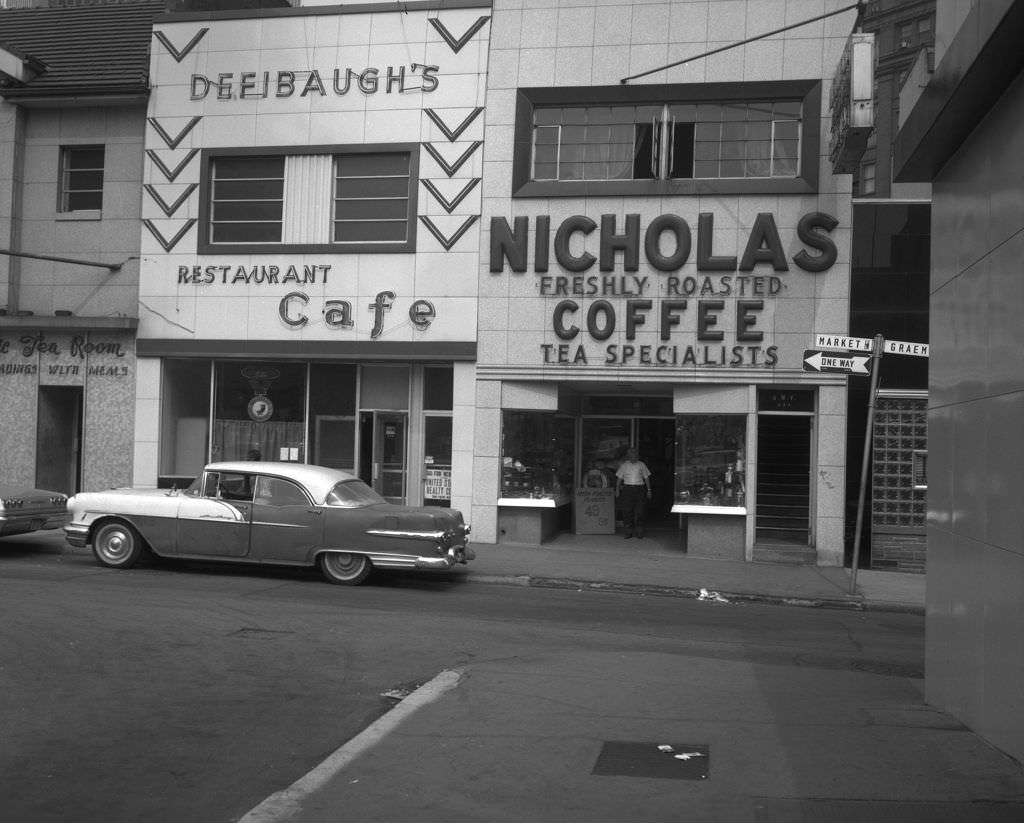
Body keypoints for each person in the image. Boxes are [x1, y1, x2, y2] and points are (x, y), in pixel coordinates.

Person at [615, 447, 652, 539]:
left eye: (635, 455)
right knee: (627, 511)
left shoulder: (641, 465)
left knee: (640, 511)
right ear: (628, 456)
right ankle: (628, 531)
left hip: (639, 489)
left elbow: (646, 478)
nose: (633, 457)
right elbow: (619, 478)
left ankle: (639, 531)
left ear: (637, 456)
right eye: (631, 455)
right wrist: (617, 489)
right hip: (627, 489)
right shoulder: (624, 465)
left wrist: (649, 490)